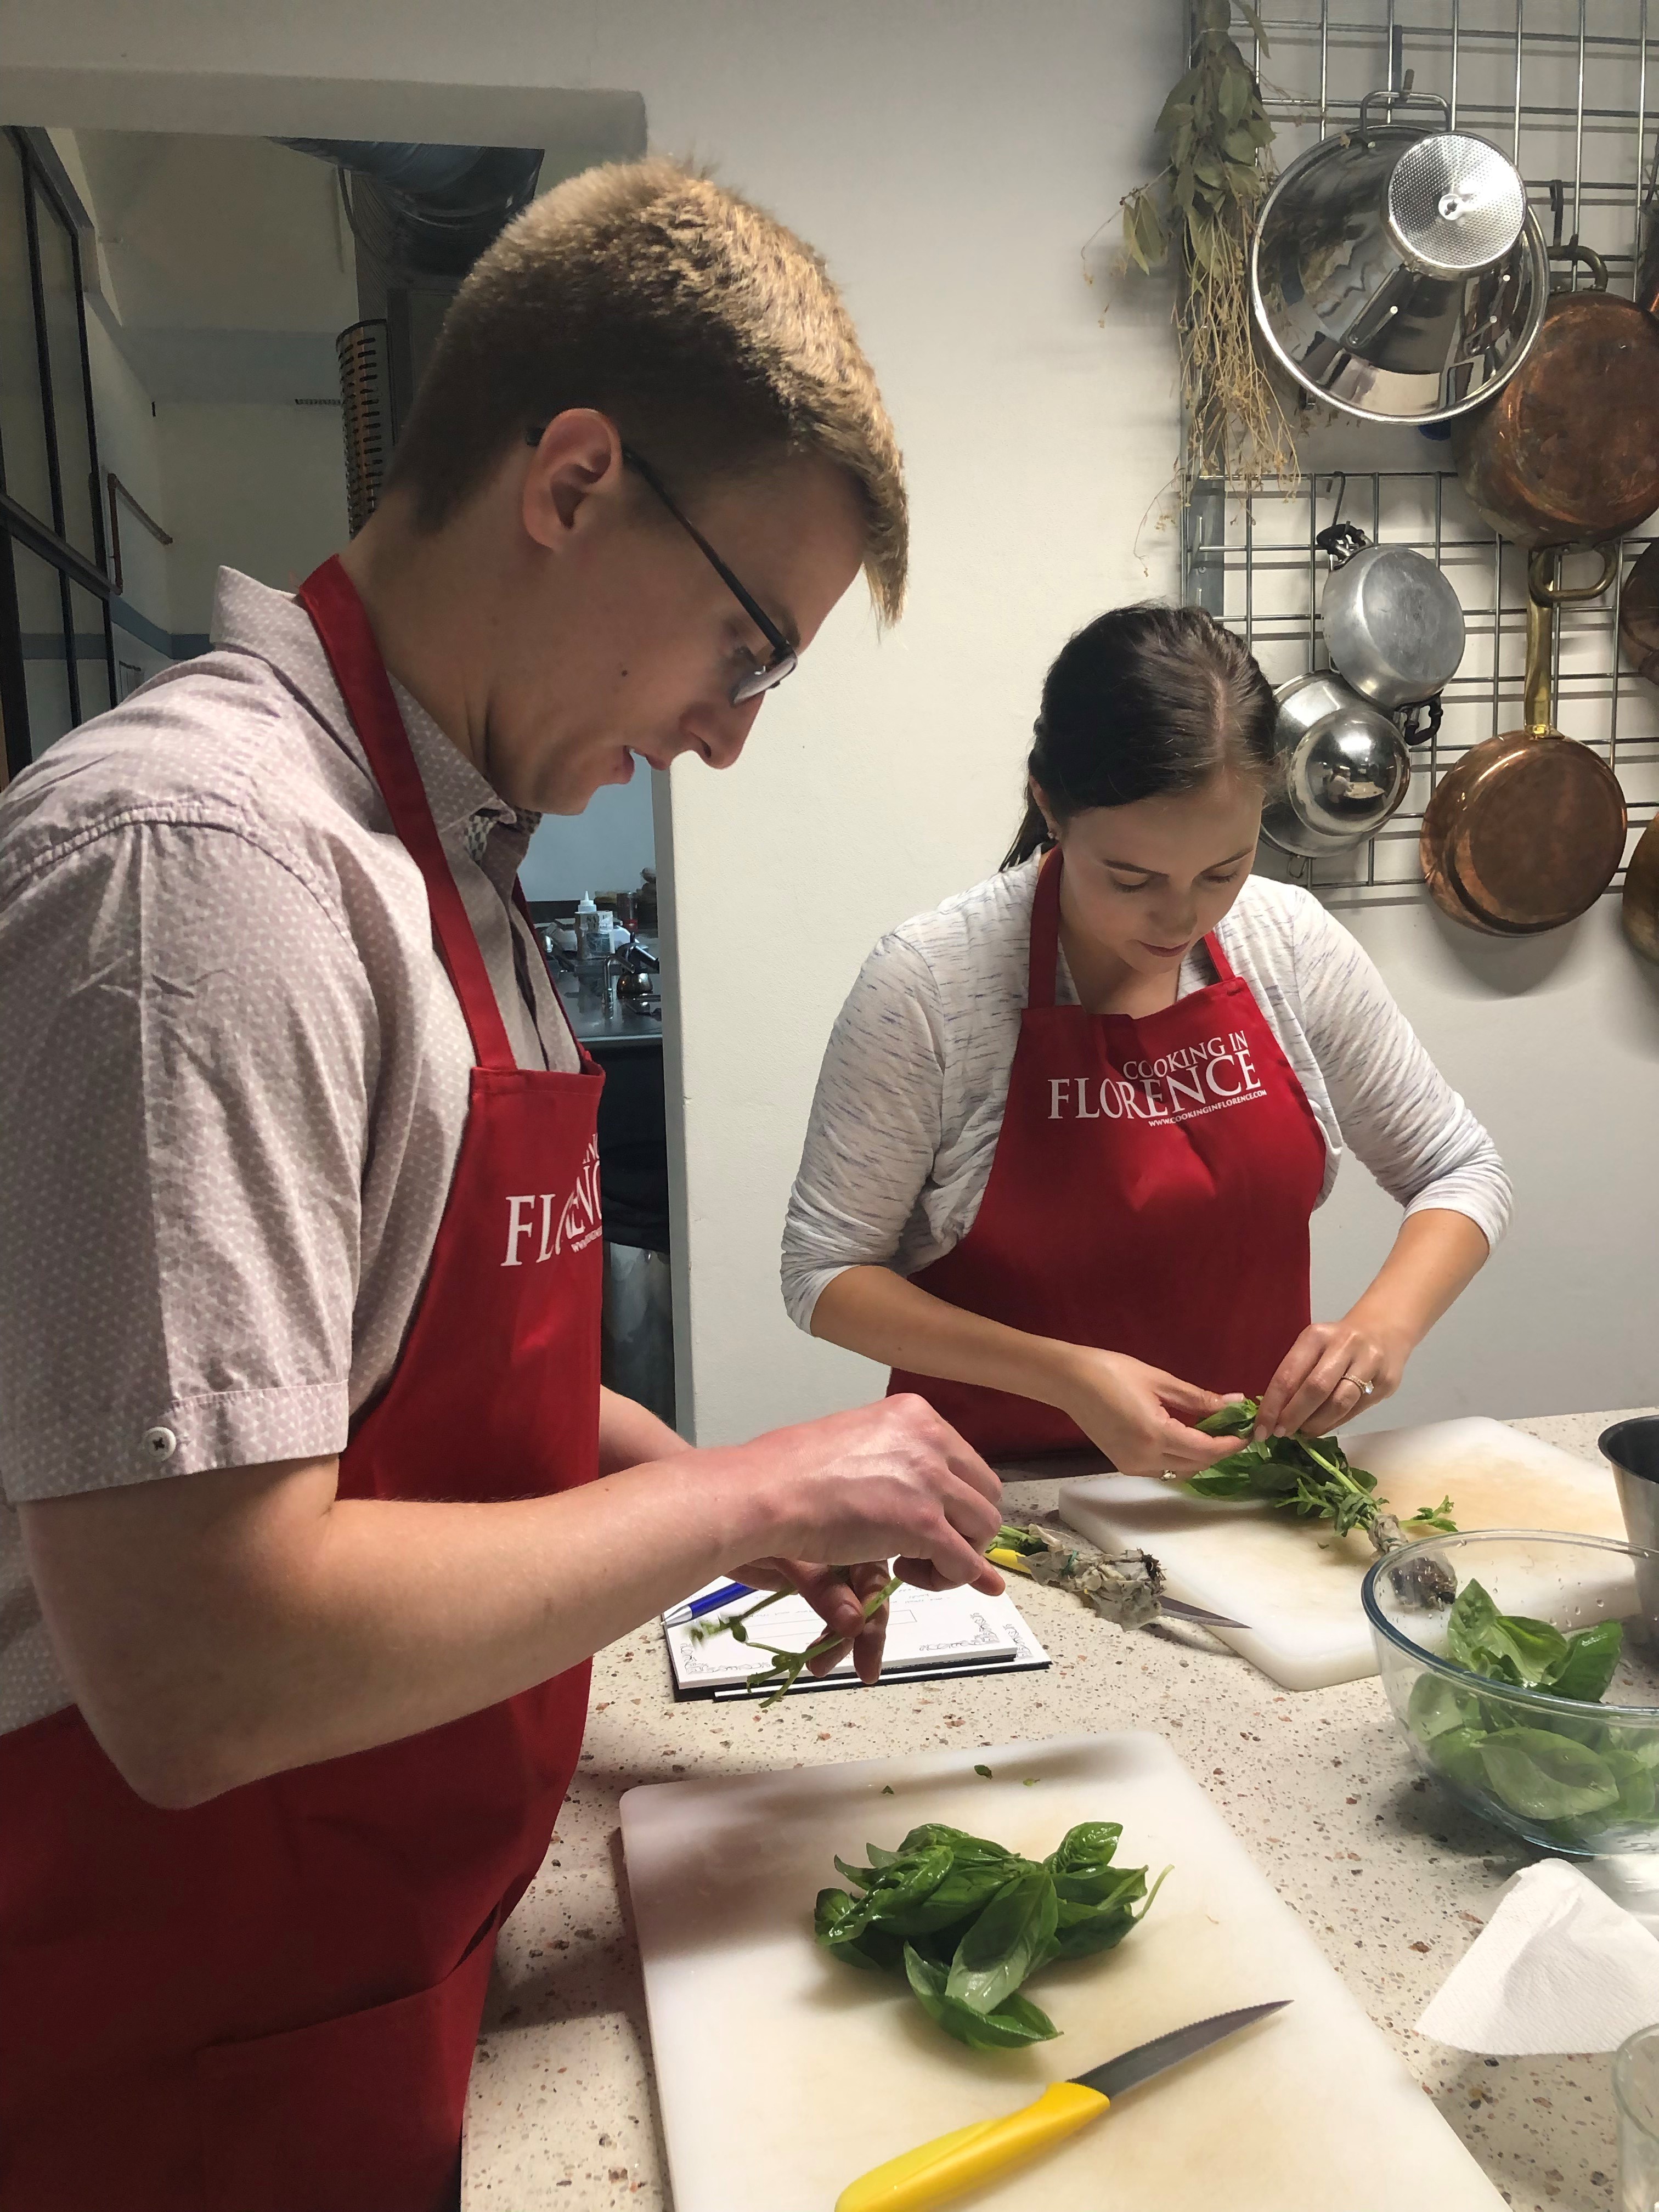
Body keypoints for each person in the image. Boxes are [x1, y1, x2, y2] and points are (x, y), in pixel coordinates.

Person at [0, 161, 1005, 2212]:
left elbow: (450, 1414)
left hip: (382, 1953)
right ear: (570, 482)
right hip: (172, 2034)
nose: (724, 739)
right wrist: (729, 1499)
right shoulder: (205, 878)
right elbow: (199, 1670)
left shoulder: (456, 873)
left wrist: (730, 1486)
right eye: (746, 647)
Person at [783, 603, 1511, 1477]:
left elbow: (1460, 1169)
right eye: (1131, 878)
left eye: (1223, 870)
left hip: (1250, 1479)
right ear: (1049, 804)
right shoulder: (930, 986)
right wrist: (1064, 1377)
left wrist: (1380, 1329)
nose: (1180, 916)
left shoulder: (1289, 945)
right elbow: (824, 1272)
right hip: (990, 1504)